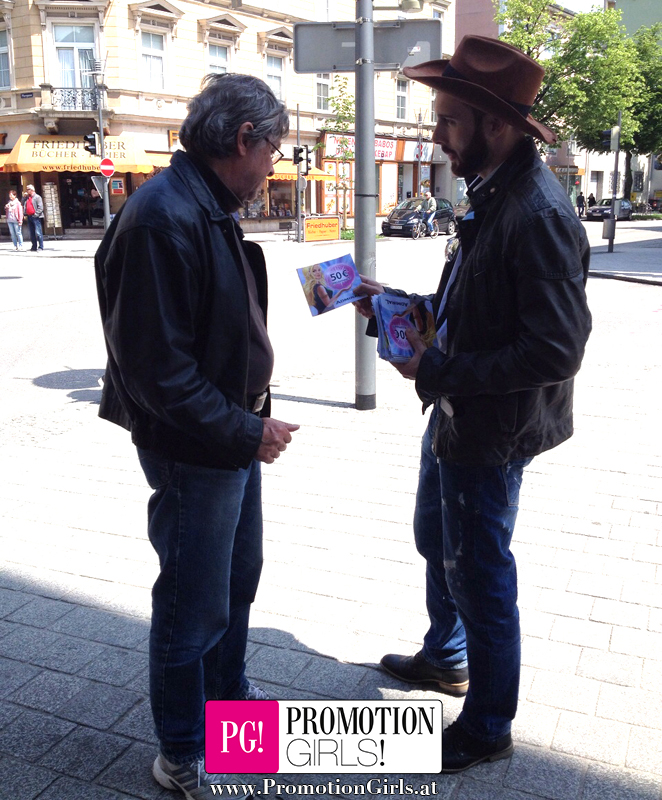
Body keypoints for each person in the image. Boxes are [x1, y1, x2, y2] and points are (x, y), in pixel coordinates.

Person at [354, 35, 591, 774]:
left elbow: (556, 351)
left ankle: (488, 723)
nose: (436, 136)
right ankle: (446, 655)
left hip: (490, 427)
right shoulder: (492, 193)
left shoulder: (537, 216)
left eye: (449, 121)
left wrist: (440, 367)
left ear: (496, 125)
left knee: (480, 571)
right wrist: (393, 306)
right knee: (437, 539)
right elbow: (469, 309)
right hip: (458, 408)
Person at [94, 73, 299, 799]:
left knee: (236, 580)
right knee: (192, 601)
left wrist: (247, 425)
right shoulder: (162, 216)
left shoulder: (205, 202)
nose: (273, 164)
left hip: (228, 436)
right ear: (243, 139)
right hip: (197, 444)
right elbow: (158, 373)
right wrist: (245, 429)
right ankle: (181, 750)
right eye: (273, 149)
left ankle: (229, 708)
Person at [23, 185, 44, 251]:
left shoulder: (37, 197)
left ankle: (41, 247)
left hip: (36, 217)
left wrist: (36, 214)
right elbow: (22, 203)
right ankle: (34, 246)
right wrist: (24, 197)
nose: (27, 191)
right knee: (32, 233)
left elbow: (40, 207)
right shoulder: (27, 198)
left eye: (28, 189)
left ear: (32, 190)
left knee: (38, 232)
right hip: (29, 216)